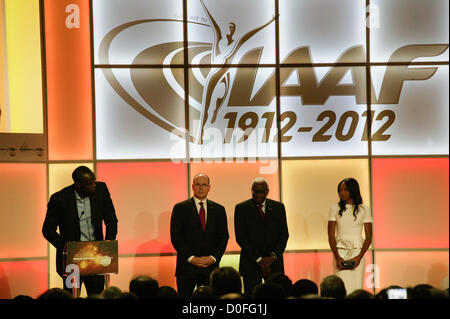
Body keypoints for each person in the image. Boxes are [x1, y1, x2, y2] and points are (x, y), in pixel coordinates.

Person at [42, 166, 118, 295]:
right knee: (71, 295)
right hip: (72, 260)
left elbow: (111, 219)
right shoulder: (60, 199)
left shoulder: (101, 190)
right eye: (89, 184)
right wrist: (66, 247)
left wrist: (108, 244)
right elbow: (48, 230)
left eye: (94, 181)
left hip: (96, 258)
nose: (94, 186)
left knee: (96, 295)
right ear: (78, 185)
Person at [170, 173, 229, 298]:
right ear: (192, 187)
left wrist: (213, 258)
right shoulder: (180, 208)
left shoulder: (219, 209)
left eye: (204, 185)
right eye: (198, 185)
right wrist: (192, 258)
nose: (201, 188)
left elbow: (224, 237)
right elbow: (176, 237)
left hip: (210, 268)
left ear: (209, 188)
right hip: (186, 268)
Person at [234, 177, 289, 297]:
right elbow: (241, 237)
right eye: (255, 192)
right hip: (251, 264)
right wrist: (259, 260)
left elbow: (284, 235)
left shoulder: (279, 207)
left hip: (274, 264)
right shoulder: (241, 208)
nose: (258, 195)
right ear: (251, 191)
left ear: (267, 191)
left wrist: (272, 257)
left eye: (261, 192)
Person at [328, 177, 372, 294]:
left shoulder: (364, 209)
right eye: (340, 190)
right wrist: (337, 257)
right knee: (340, 288)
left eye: (345, 190)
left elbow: (369, 237)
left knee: (356, 288)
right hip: (340, 252)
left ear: (353, 190)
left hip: (358, 252)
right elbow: (331, 235)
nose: (342, 193)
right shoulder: (335, 208)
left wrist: (359, 257)